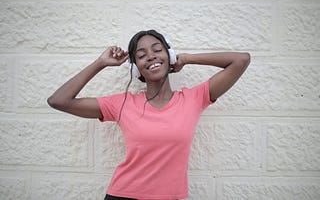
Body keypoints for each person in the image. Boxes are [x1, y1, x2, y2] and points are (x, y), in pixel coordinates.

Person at [47, 29, 250, 200]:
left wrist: (186, 58)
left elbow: (241, 60)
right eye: (142, 55)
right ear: (136, 69)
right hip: (124, 196)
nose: (151, 56)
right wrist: (101, 63)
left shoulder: (194, 98)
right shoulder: (123, 103)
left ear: (168, 55)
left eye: (158, 50)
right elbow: (59, 101)